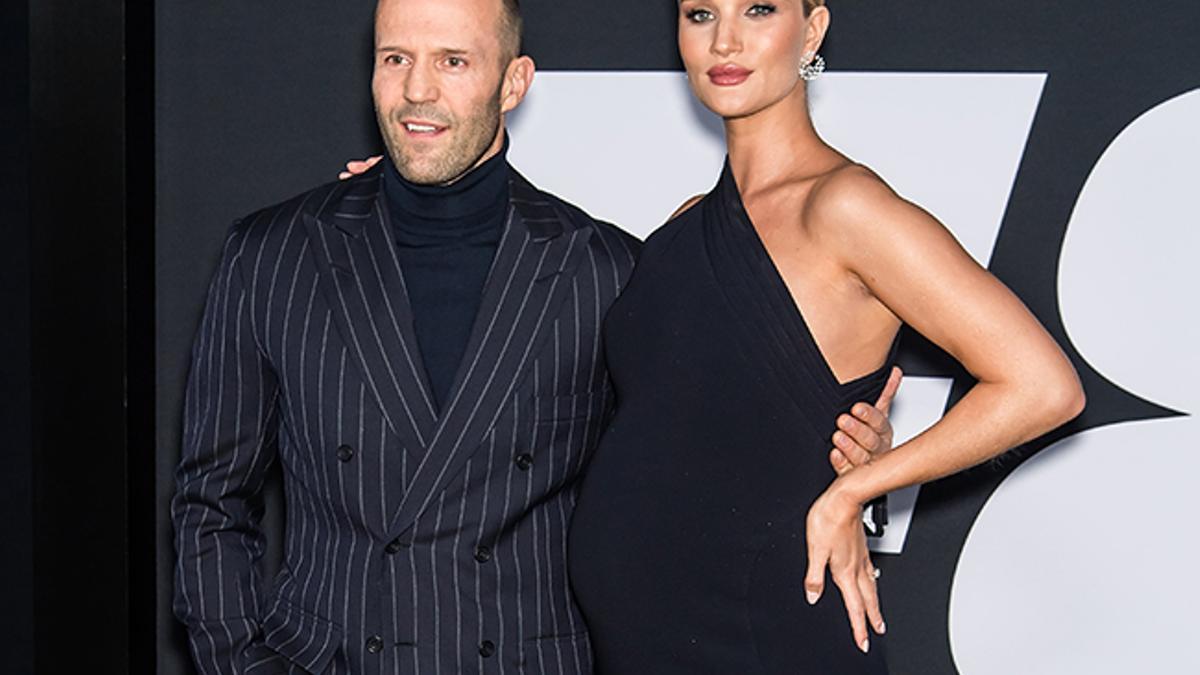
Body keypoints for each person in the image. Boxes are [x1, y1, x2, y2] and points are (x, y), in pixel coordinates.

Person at [172, 0, 896, 673]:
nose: (417, 90)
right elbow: (211, 501)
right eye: (395, 58)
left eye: (453, 61)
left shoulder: (605, 269)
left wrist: (844, 469)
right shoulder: (273, 253)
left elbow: (694, 459)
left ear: (514, 82)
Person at [564, 1, 1086, 673]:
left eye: (757, 10)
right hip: (642, 640)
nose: (725, 39)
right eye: (699, 13)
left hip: (763, 626)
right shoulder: (684, 226)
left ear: (811, 30)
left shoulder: (844, 207)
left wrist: (855, 489)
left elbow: (1043, 385)